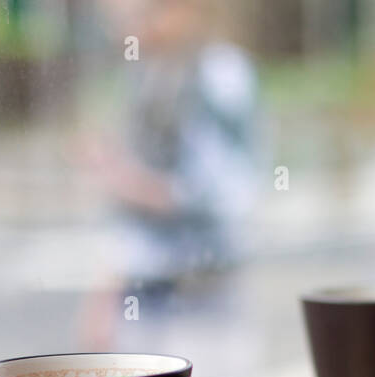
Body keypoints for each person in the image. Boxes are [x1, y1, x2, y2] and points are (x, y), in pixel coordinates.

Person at [76, 0, 259, 348]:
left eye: (150, 11)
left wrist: (122, 178)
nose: (133, 24)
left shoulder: (218, 75)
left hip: (202, 295)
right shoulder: (145, 73)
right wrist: (104, 297)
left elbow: (212, 193)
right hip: (146, 293)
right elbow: (128, 227)